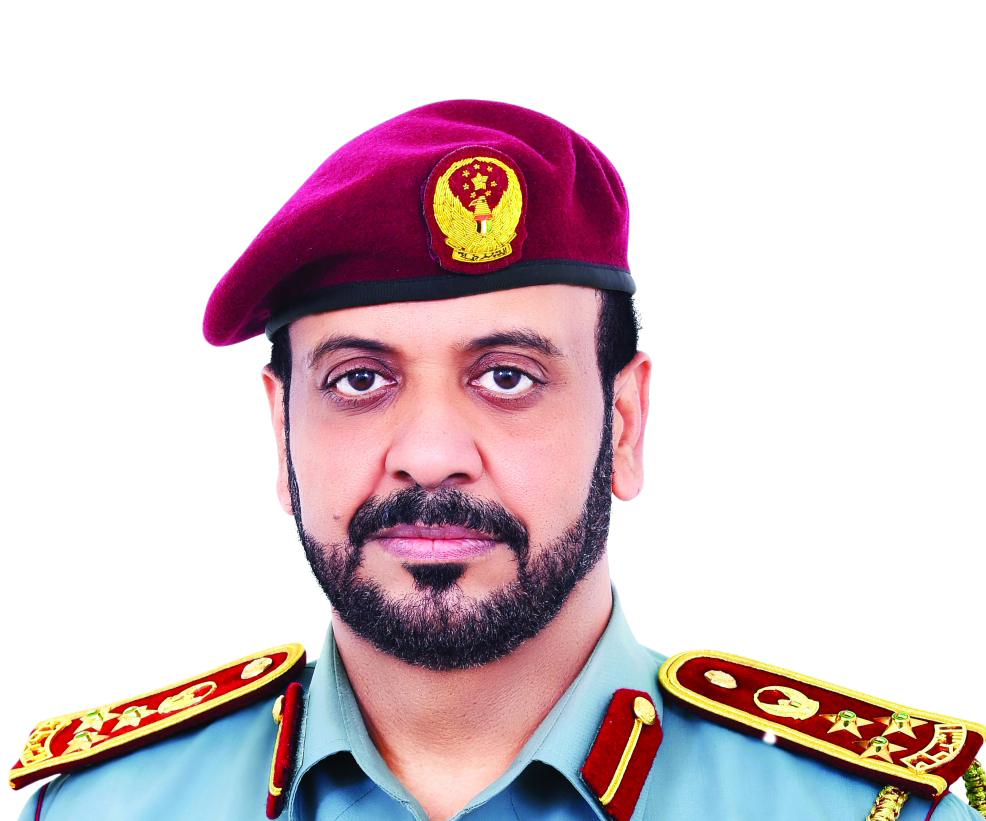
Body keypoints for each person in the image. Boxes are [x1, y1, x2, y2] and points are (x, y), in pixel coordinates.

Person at [10, 100, 985, 821]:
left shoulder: (871, 811)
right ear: (281, 431)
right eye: (359, 379)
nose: (431, 455)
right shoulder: (96, 806)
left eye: (508, 376)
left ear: (625, 423)